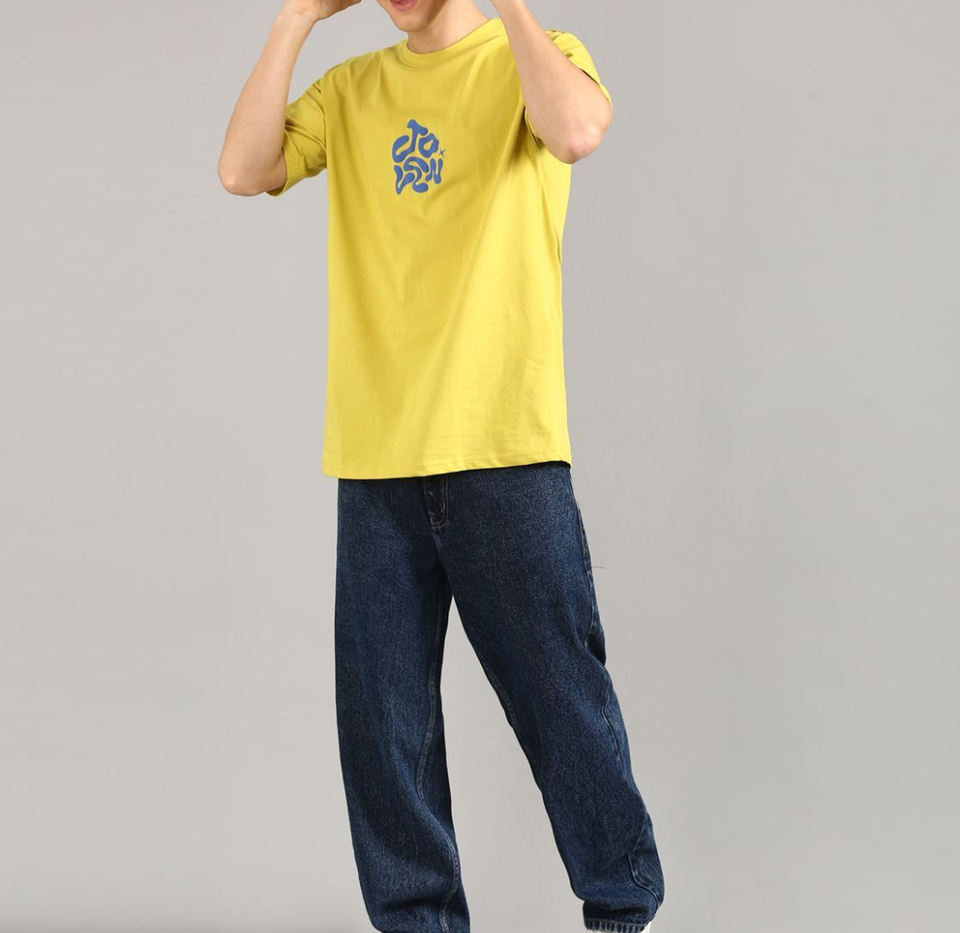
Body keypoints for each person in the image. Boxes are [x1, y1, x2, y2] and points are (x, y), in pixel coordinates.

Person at [217, 2, 665, 931]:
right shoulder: (352, 90)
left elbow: (576, 131)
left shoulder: (541, 58)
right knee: (386, 733)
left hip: (504, 448)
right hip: (376, 457)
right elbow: (243, 169)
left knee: (562, 700)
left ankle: (622, 909)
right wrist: (294, 19)